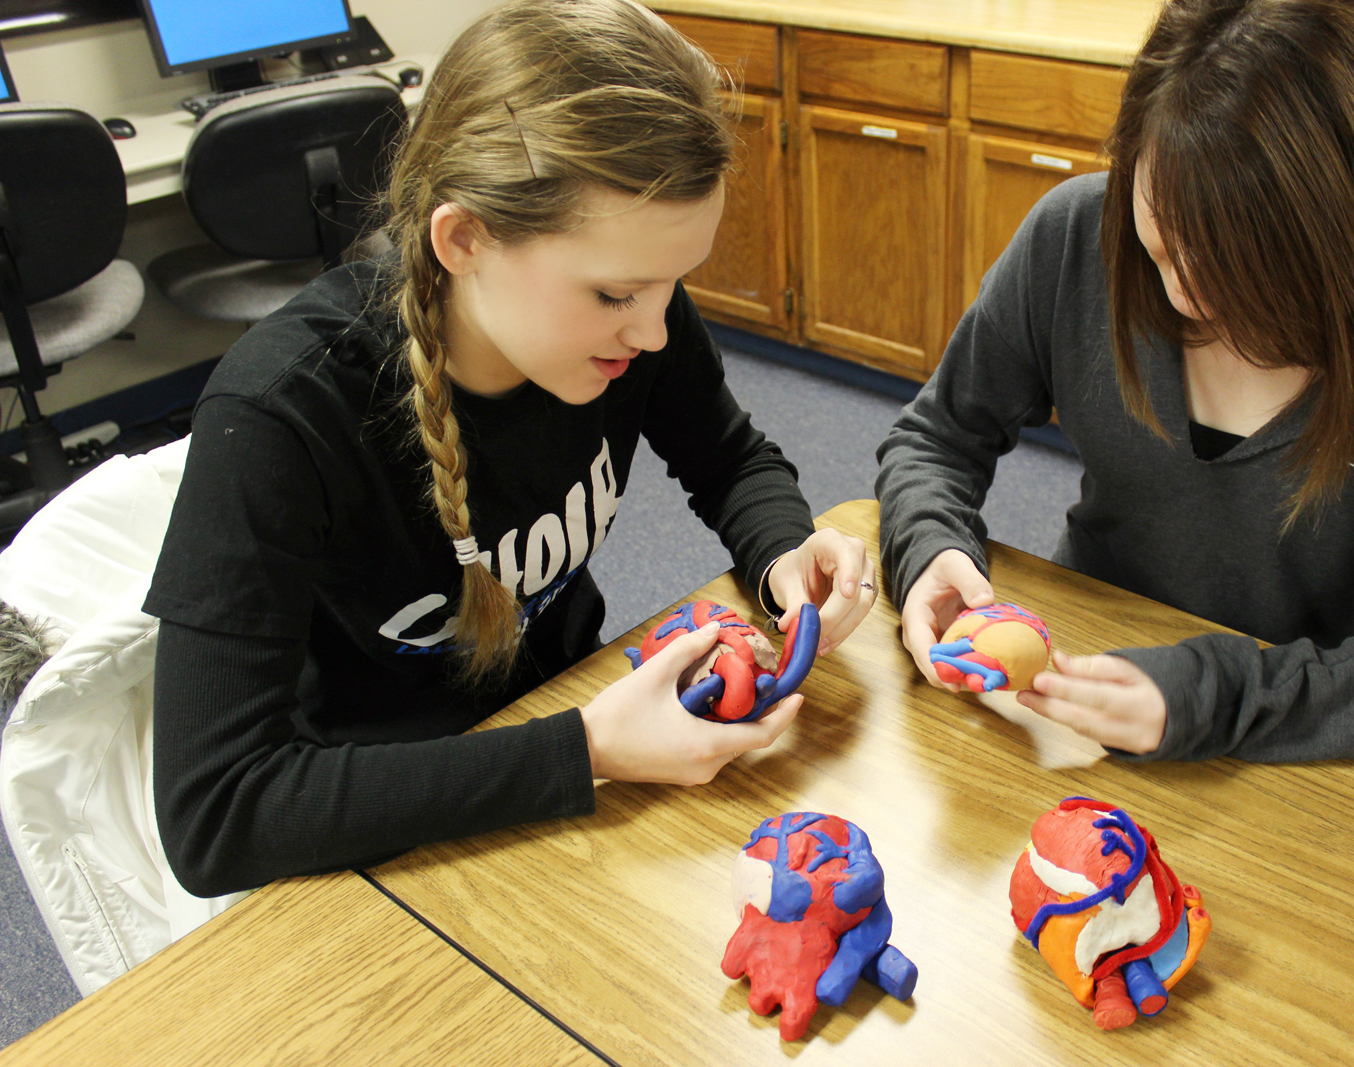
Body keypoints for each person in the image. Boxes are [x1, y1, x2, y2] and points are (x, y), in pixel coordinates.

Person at [144, 0, 877, 898]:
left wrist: (781, 553)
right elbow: (217, 812)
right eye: (614, 293)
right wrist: (588, 748)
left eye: (671, 286)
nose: (653, 330)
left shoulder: (635, 320)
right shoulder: (277, 416)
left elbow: (728, 458)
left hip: (581, 754)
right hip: (384, 833)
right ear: (464, 239)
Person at [876, 0, 1354, 763]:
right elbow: (937, 437)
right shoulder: (1076, 235)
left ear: (1349, 243)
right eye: (1165, 241)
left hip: (1311, 735)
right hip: (1083, 692)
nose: (1181, 293)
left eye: (1237, 263)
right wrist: (931, 543)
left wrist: (1220, 695)